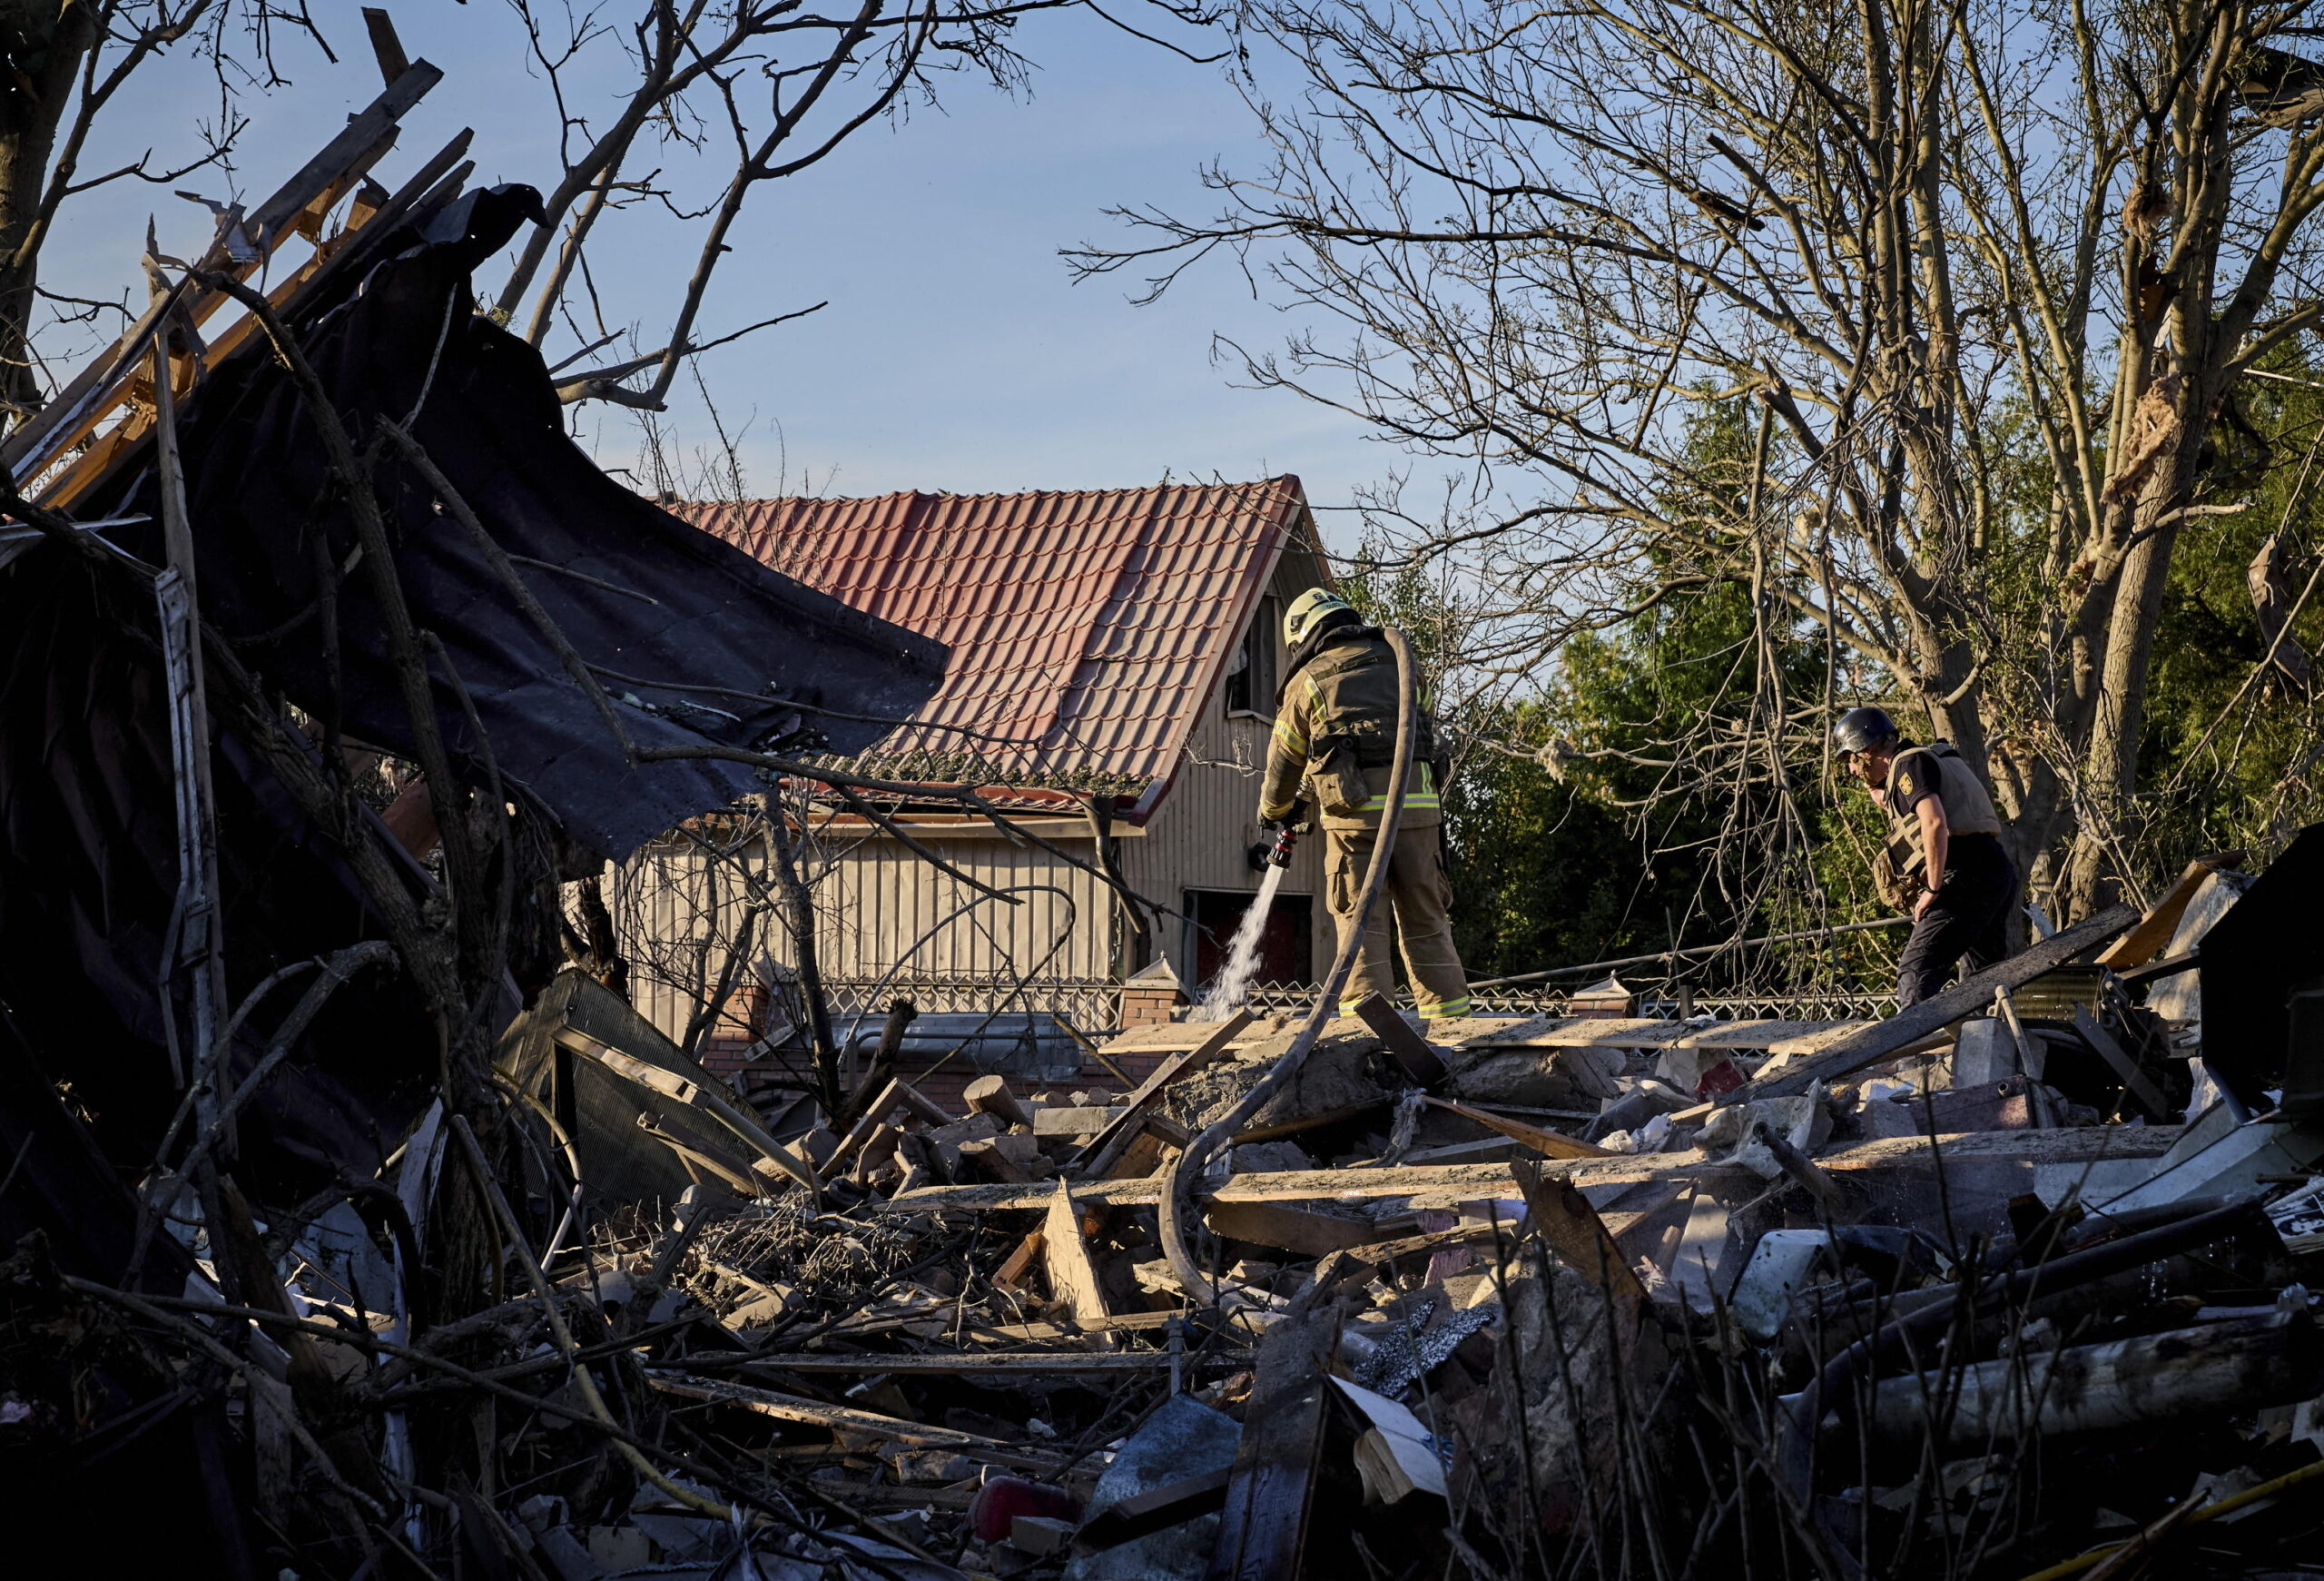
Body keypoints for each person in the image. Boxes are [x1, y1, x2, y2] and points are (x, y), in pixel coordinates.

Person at [1257, 589, 1472, 1020]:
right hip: (1419, 814)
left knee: (1361, 924)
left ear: (1301, 635)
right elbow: (1423, 731)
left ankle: (1369, 1036)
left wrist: (1275, 811)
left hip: (1355, 822)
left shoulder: (1311, 679)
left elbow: (1283, 762)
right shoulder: (1402, 663)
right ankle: (1453, 1026)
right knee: (1426, 918)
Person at [1833, 706, 2019, 1007]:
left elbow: (1933, 821)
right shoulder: (1925, 759)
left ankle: (1914, 1055)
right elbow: (1918, 803)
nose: (1852, 772)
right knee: (1980, 981)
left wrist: (1932, 889)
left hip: (1964, 877)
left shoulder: (1909, 764)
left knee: (1915, 971)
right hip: (1994, 870)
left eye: (1851, 762)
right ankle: (1981, 1050)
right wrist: (1879, 790)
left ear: (1865, 751)